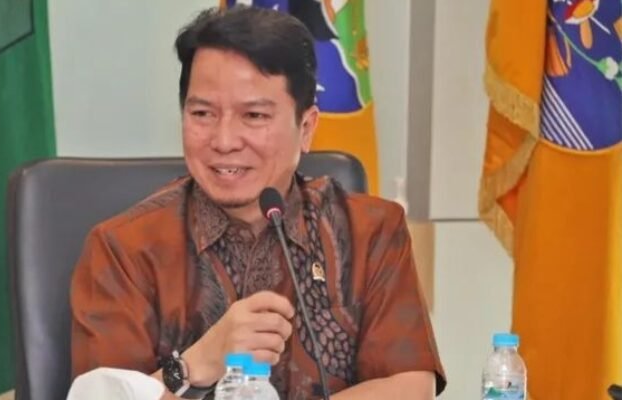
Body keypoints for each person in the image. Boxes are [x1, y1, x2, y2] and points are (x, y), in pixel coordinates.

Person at [70, 6, 446, 399]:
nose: (224, 141)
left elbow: (410, 386)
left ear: (306, 127)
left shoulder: (370, 231)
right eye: (202, 113)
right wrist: (197, 363)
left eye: (253, 115)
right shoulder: (123, 250)